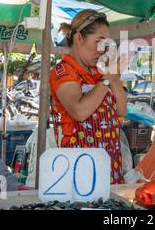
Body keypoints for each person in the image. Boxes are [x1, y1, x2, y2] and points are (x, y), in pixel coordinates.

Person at [49, 9, 127, 184]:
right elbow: (79, 111)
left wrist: (113, 76)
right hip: (79, 167)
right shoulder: (62, 72)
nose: (102, 50)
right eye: (99, 42)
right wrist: (106, 79)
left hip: (110, 164)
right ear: (78, 38)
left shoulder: (100, 72)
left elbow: (121, 110)